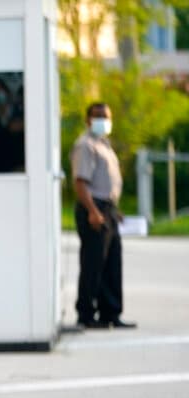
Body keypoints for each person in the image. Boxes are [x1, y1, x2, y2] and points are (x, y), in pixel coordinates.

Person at [71, 102, 135, 329]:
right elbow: (80, 183)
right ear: (88, 120)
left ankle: (111, 312)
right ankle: (86, 313)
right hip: (93, 208)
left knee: (112, 263)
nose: (102, 121)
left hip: (106, 208)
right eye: (97, 116)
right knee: (93, 263)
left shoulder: (104, 145)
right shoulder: (85, 145)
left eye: (105, 116)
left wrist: (112, 211)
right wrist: (93, 211)